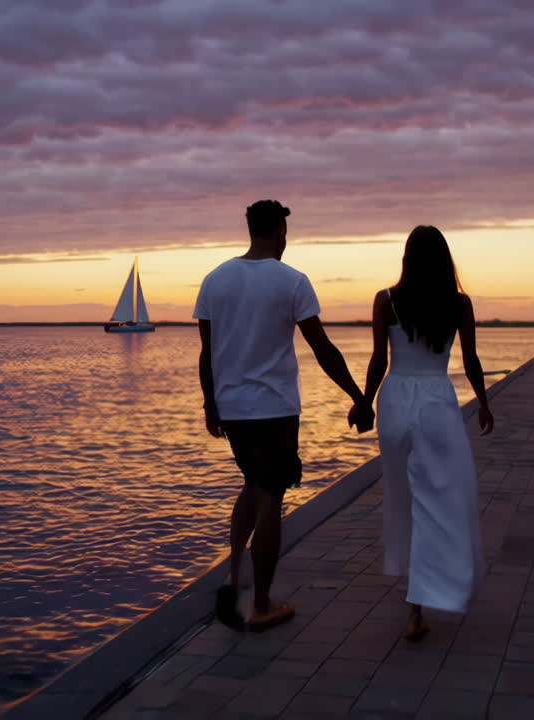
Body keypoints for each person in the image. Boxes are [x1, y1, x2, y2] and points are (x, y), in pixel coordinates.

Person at [195, 199, 374, 632]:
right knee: (272, 496)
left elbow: (207, 354)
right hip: (275, 409)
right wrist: (359, 396)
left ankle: (234, 574)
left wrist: (210, 404)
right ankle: (261, 605)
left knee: (253, 485)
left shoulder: (214, 280)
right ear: (279, 232)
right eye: (285, 232)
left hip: (233, 408)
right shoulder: (292, 281)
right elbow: (323, 348)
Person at [355, 225, 492, 641]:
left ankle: (416, 599)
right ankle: (428, 595)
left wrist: (364, 402)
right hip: (436, 403)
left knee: (405, 500)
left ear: (407, 258)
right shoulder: (459, 303)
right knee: (445, 499)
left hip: (396, 401)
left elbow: (379, 359)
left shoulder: (387, 300)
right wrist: (484, 404)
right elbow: (470, 359)